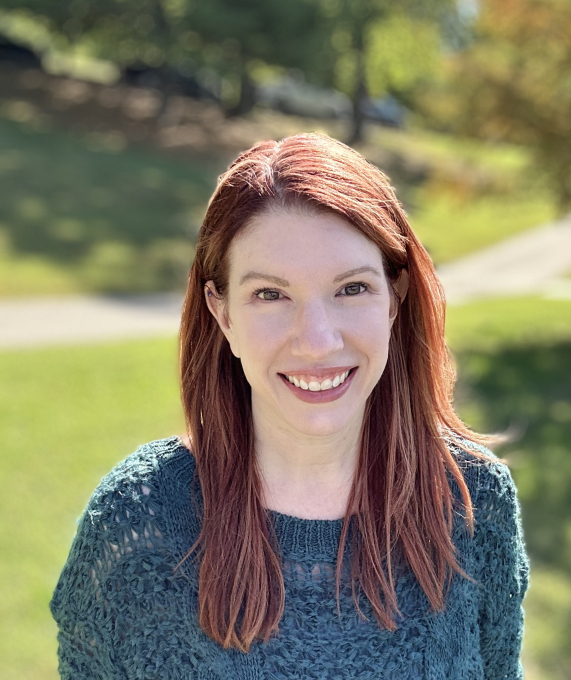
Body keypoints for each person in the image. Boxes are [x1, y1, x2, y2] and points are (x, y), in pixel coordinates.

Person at [50, 133, 529, 679]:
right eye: (271, 295)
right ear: (223, 313)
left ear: (394, 298)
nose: (318, 340)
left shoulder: (473, 505)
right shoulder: (135, 523)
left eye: (351, 289)